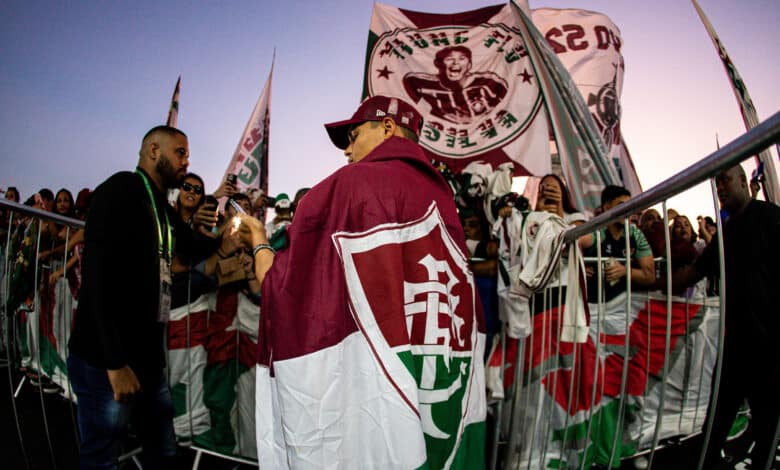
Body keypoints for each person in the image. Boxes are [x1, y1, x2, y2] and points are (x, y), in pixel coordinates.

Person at [239, 95, 486, 469]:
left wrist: (257, 238)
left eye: (353, 136)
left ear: (387, 127)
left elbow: (281, 285)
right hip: (433, 365)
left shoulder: (346, 187)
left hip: (369, 391)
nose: (347, 150)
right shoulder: (443, 198)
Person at [67, 126, 217, 469]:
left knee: (163, 453)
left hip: (147, 365)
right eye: (180, 152)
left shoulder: (162, 209)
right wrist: (115, 363)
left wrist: (231, 237)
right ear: (153, 151)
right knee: (102, 459)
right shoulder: (120, 190)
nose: (187, 161)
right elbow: (96, 278)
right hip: (105, 362)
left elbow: (192, 244)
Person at [670, 165, 780, 470]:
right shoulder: (727, 233)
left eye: (726, 181)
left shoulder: (771, 217)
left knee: (767, 423)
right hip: (736, 344)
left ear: (744, 182)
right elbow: (693, 272)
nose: (720, 188)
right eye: (716, 184)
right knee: (717, 422)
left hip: (770, 343)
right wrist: (644, 279)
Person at [583, 185, 655, 302]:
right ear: (607, 208)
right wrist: (579, 265)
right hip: (593, 306)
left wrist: (624, 271)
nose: (627, 210)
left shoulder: (635, 234)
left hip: (623, 308)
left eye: (630, 206)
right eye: (621, 205)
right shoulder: (596, 231)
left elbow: (650, 276)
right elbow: (572, 244)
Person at [403, 45, 508, 125]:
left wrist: (478, 118)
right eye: (449, 59)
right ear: (440, 65)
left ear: (469, 65)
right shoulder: (425, 84)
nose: (455, 63)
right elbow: (409, 79)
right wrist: (426, 109)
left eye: (462, 59)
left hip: (483, 140)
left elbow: (509, 100)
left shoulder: (488, 82)